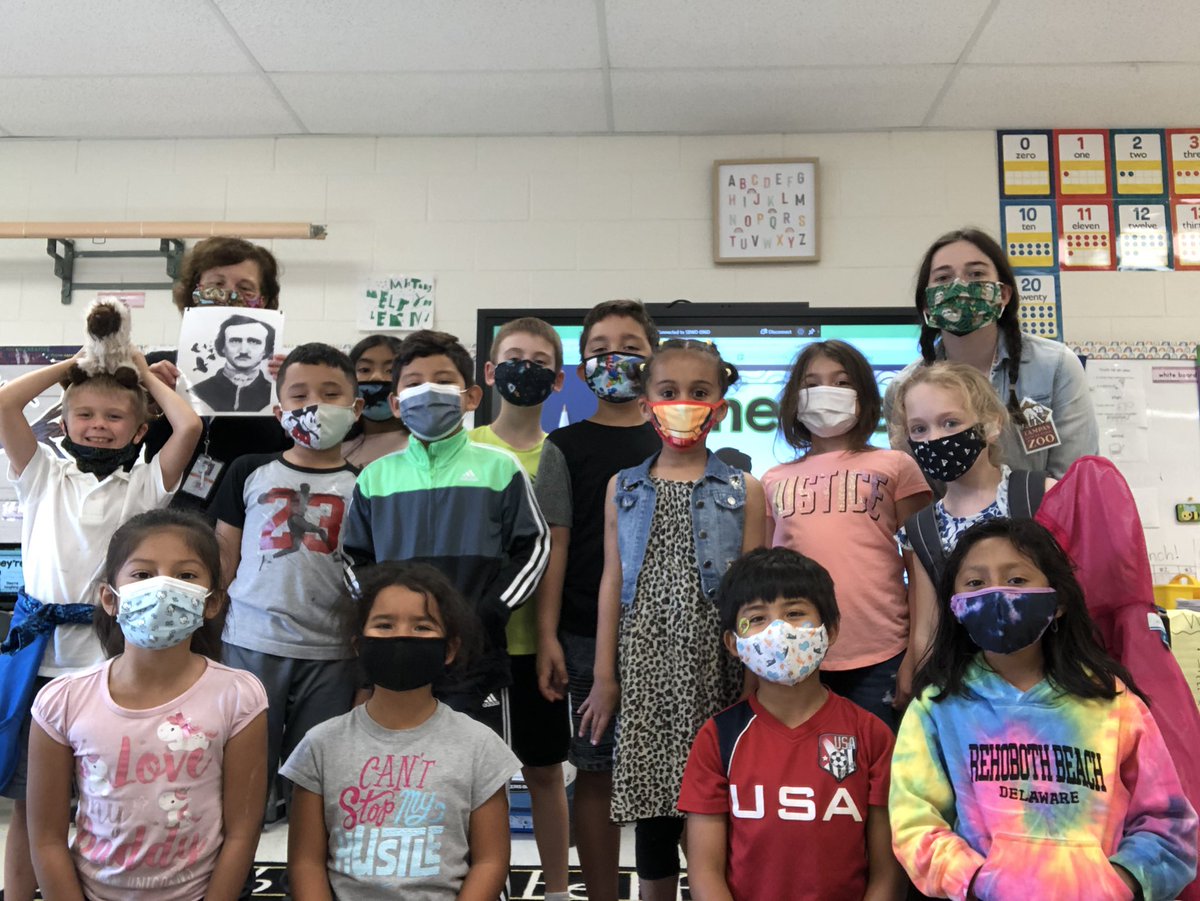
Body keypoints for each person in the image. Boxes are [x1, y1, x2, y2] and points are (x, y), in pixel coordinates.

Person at [889, 518, 1198, 901]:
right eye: (975, 583)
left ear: (1058, 601)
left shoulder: (1114, 704)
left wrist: (1119, 881)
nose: (996, 594)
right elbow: (913, 823)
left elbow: (1170, 826)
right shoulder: (937, 707)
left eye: (1017, 580)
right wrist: (977, 881)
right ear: (954, 606)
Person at [0, 351, 202, 901]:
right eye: (84, 414)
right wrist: (73, 368)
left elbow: (189, 426)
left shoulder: (143, 486)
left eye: (115, 417)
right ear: (63, 423)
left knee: (107, 797)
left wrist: (137, 369)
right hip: (41, 662)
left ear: (139, 429)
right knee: (31, 803)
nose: (98, 425)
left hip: (113, 664)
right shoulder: (42, 473)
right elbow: (5, 403)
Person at [581, 339, 766, 901]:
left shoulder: (745, 489)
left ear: (721, 408)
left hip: (717, 667)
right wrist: (604, 676)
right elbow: (612, 581)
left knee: (719, 804)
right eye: (668, 393)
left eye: (699, 392)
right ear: (645, 405)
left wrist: (755, 679)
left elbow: (754, 594)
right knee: (656, 812)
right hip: (644, 667)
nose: (683, 403)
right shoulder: (625, 486)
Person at [26, 509, 269, 901]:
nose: (163, 589)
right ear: (110, 597)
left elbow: (242, 832)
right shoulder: (61, 702)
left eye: (186, 576)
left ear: (212, 602)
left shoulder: (240, 697)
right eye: (142, 574)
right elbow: (47, 839)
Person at [342, 329, 550, 737]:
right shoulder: (375, 477)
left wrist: (492, 610)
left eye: (443, 380)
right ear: (397, 404)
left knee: (476, 769)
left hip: (476, 651)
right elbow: (353, 559)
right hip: (395, 649)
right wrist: (379, 618)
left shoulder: (501, 468)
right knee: (398, 761)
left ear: (471, 397)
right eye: (415, 384)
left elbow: (535, 546)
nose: (429, 391)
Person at [282, 562, 519, 901]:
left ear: (449, 649)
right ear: (359, 645)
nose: (401, 637)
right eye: (385, 625)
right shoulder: (320, 746)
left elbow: (491, 861)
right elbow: (306, 863)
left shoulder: (480, 746)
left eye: (422, 627)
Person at [679, 547, 904, 901]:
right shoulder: (718, 738)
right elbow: (705, 870)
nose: (778, 630)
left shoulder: (871, 735)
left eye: (795, 612)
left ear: (830, 630)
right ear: (734, 643)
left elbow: (886, 872)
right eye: (756, 618)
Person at [532, 299, 662, 901]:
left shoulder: (678, 438)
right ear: (583, 364)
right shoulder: (562, 446)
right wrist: (548, 634)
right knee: (595, 767)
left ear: (652, 356)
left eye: (631, 344)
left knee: (676, 771)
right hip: (585, 632)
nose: (617, 356)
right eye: (602, 346)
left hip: (668, 630)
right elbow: (554, 547)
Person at [212, 343, 363, 818]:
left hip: (332, 653)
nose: (313, 404)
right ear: (279, 411)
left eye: (330, 393)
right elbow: (224, 555)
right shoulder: (249, 472)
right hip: (250, 644)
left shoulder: (366, 485)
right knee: (243, 782)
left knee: (316, 786)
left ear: (355, 409)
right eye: (298, 395)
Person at [763, 340, 932, 730]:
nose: (827, 392)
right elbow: (766, 576)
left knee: (881, 773)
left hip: (883, 653)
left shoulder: (896, 466)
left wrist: (918, 651)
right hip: (797, 656)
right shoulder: (773, 480)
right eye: (813, 383)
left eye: (842, 383)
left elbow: (923, 566)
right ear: (794, 399)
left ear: (864, 396)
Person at [470, 316, 571, 901]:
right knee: (471, 776)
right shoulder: (465, 446)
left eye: (538, 361)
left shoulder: (556, 457)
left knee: (542, 769)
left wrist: (549, 635)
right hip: (472, 643)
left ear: (556, 381)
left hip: (532, 642)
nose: (523, 369)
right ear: (490, 371)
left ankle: (556, 890)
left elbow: (554, 551)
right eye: (513, 357)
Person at [887, 227, 1099, 478]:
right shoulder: (903, 388)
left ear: (1004, 294)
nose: (960, 287)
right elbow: (914, 487)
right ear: (927, 303)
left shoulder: (1055, 366)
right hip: (947, 517)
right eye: (943, 278)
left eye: (975, 274)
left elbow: (1074, 478)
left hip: (1042, 515)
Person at [889, 361, 1055, 621]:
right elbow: (928, 631)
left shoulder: (1042, 495)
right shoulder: (922, 530)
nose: (933, 439)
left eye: (950, 422)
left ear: (991, 425)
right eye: (919, 429)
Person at [143, 236, 291, 513]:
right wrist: (140, 406)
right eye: (216, 285)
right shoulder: (156, 369)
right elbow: (118, 454)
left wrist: (296, 399)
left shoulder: (285, 378)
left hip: (250, 519)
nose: (228, 296)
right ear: (193, 293)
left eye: (245, 289)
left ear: (266, 301)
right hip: (165, 519)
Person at [341, 335, 409, 468]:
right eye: (365, 370)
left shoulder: (422, 447)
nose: (376, 376)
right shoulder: (336, 448)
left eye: (391, 370)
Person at [191, 314, 277, 413]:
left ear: (266, 350)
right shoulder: (197, 392)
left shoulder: (276, 394)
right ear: (222, 347)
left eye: (254, 342)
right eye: (235, 341)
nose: (243, 350)